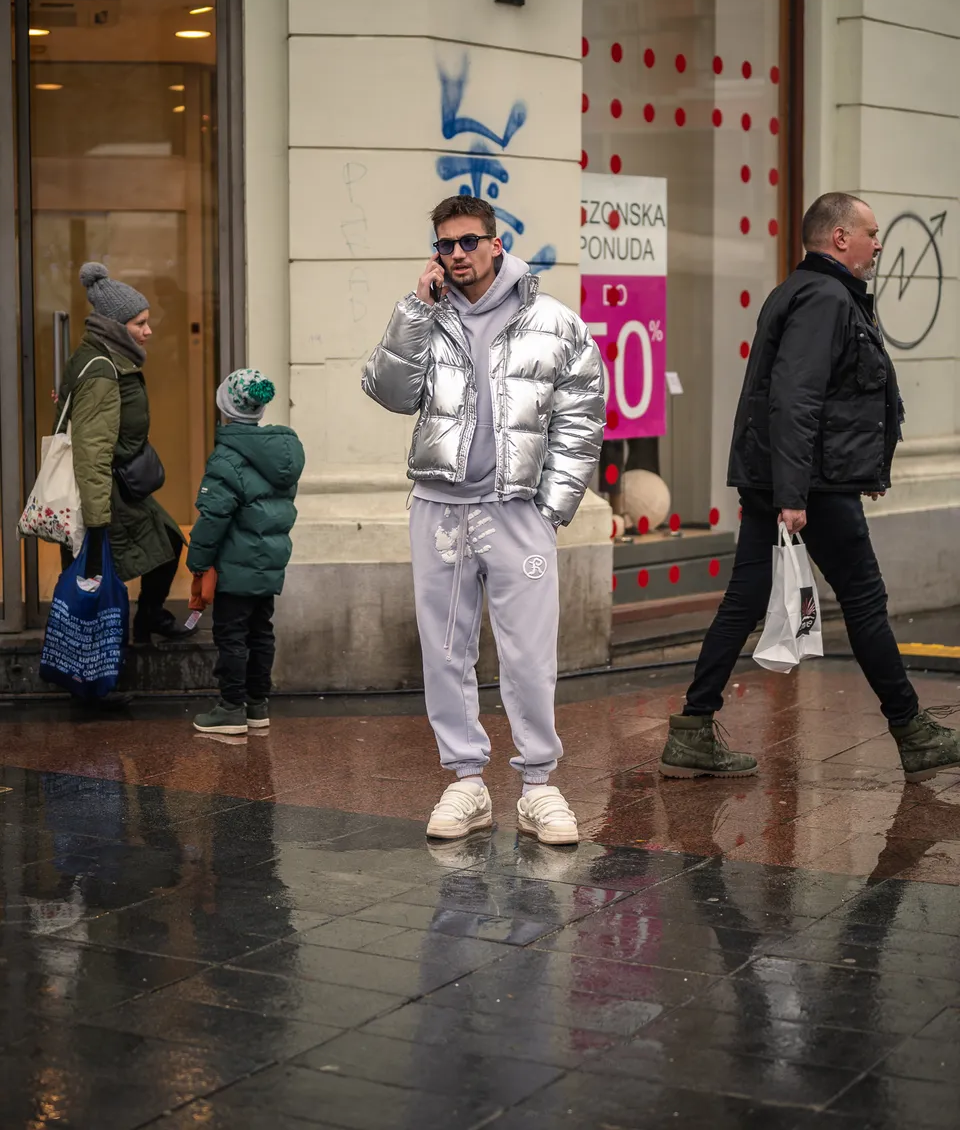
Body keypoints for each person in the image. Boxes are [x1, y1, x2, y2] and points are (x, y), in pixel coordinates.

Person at [659, 192, 960, 784]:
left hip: (796, 478)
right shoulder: (824, 298)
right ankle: (912, 731)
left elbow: (835, 401)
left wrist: (853, 473)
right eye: (871, 233)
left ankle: (693, 728)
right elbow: (796, 401)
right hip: (807, 487)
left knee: (744, 598)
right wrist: (795, 495)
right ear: (839, 238)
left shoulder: (807, 292)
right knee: (866, 602)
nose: (879, 244)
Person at [362, 195, 605, 844]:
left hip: (518, 511)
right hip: (440, 507)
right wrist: (415, 310)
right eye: (446, 245)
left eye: (469, 242)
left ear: (497, 244)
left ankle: (538, 787)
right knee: (445, 649)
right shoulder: (427, 317)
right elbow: (387, 392)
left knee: (529, 652)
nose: (458, 255)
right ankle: (466, 782)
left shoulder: (553, 321)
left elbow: (583, 413)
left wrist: (553, 505)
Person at [56, 262, 191, 645]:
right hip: (106, 492)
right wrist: (96, 521)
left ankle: (148, 617)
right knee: (98, 581)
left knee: (167, 542)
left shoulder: (106, 359)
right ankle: (95, 678)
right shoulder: (102, 371)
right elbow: (93, 450)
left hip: (121, 486)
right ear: (116, 327)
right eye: (139, 324)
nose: (148, 330)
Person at [187, 369, 305, 735]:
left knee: (231, 636)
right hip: (268, 563)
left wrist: (197, 562)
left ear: (225, 407)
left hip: (235, 565)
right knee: (261, 632)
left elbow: (213, 517)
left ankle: (230, 708)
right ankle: (257, 705)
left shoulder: (227, 458)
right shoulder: (281, 454)